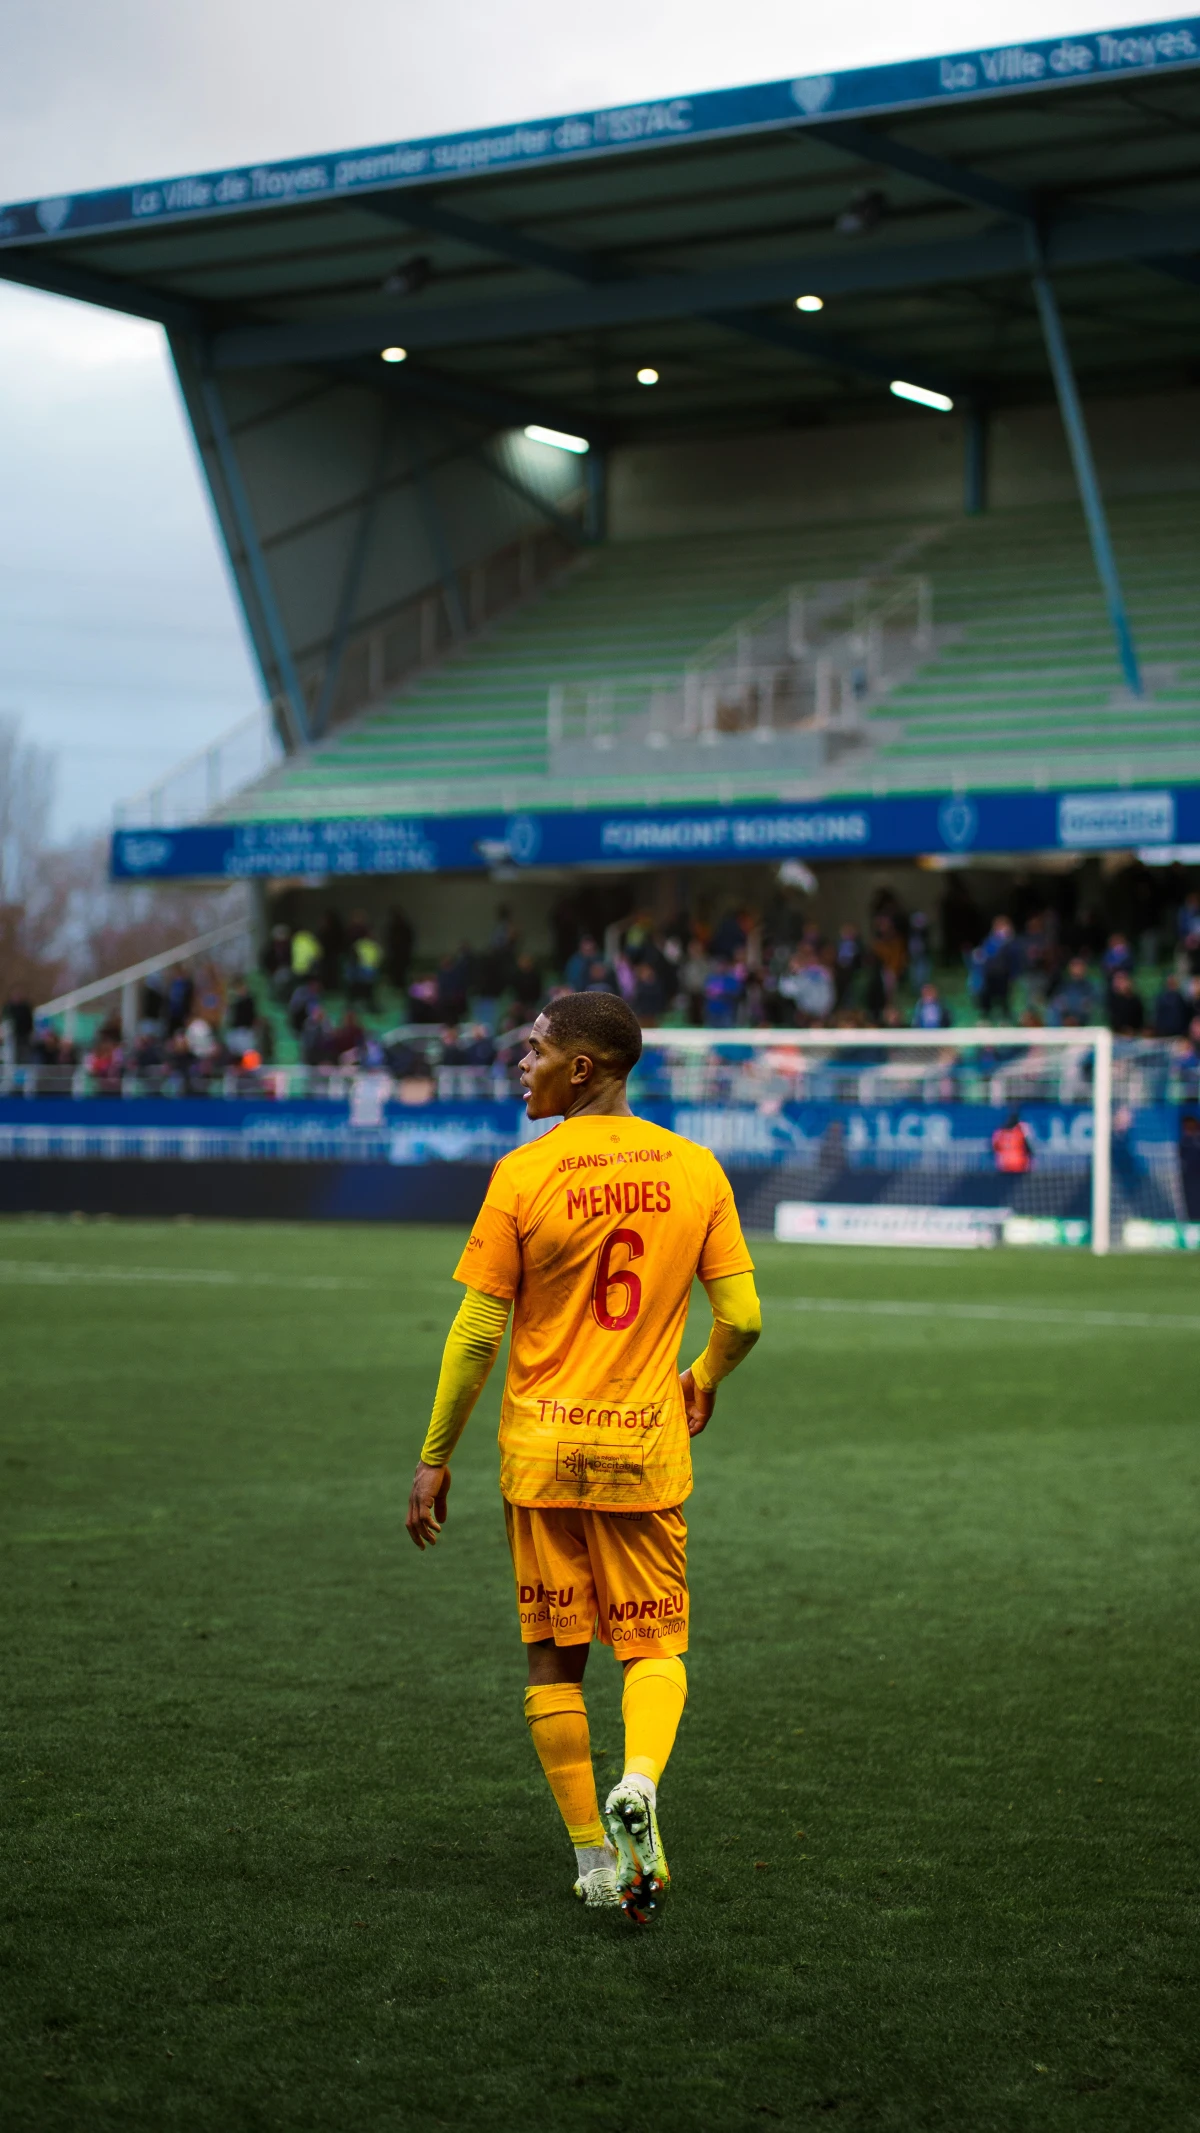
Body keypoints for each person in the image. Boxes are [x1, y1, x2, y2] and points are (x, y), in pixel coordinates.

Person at [406, 992, 761, 1923]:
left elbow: (480, 1324)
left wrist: (434, 1454)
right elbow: (746, 1319)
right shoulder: (697, 1169)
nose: (521, 1065)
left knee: (555, 1665)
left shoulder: (524, 1174)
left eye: (536, 1051)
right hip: (643, 1450)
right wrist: (704, 1375)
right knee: (653, 1645)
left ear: (584, 1069)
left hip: (542, 1454)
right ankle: (640, 1779)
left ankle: (596, 1861)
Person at [992, 1108, 1033, 1175]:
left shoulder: (999, 1132)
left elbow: (993, 1147)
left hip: (1003, 1166)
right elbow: (1030, 1148)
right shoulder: (1021, 1131)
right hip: (1019, 1165)